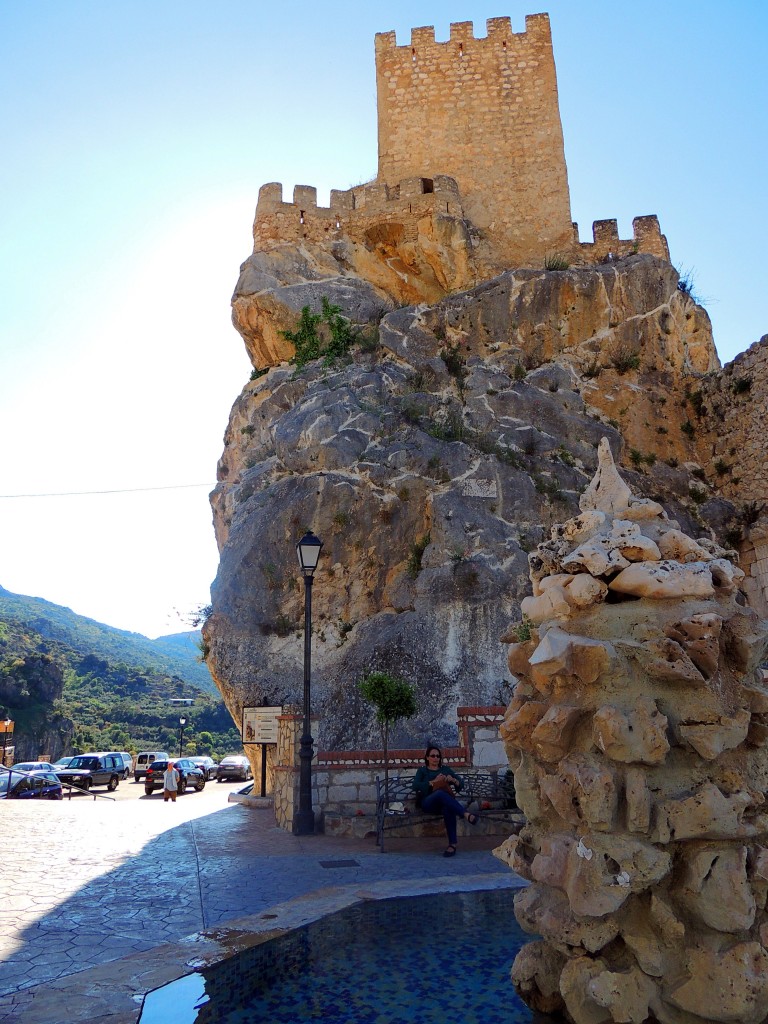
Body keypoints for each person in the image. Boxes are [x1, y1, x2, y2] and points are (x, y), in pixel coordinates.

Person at [412, 744, 479, 857]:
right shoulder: (422, 771)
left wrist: (452, 779)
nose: (435, 758)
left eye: (438, 756)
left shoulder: (445, 769)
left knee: (448, 808)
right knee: (439, 793)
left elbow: (460, 783)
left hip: (442, 805)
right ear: (427, 757)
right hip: (427, 803)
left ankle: (452, 845)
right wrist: (433, 782)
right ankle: (465, 814)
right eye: (433, 756)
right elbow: (415, 786)